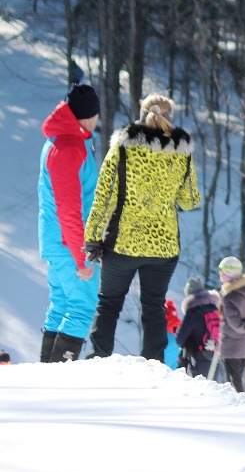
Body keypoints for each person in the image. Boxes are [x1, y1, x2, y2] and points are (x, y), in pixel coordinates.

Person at [84, 94, 200, 361]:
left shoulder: (123, 148)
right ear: (171, 117)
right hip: (164, 248)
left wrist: (92, 237)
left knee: (109, 304)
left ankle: (98, 360)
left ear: (141, 114)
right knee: (154, 307)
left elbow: (104, 196)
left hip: (122, 243)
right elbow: (190, 199)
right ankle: (155, 366)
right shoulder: (181, 154)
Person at [37, 84, 100, 362]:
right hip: (68, 243)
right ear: (89, 115)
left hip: (59, 240)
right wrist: (82, 256)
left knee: (62, 304)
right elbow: (68, 208)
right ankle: (58, 380)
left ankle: (45, 376)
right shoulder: (69, 146)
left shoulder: (67, 140)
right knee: (81, 307)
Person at [214, 256, 245, 393]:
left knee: (234, 382)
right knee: (237, 378)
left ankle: (240, 406)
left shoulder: (229, 296)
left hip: (230, 345)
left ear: (229, 273)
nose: (220, 274)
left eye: (222, 271)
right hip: (244, 344)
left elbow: (235, 323)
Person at [175, 276, 221, 379]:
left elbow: (179, 340)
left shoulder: (192, 313)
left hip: (199, 357)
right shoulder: (214, 308)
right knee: (212, 387)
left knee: (200, 389)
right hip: (215, 354)